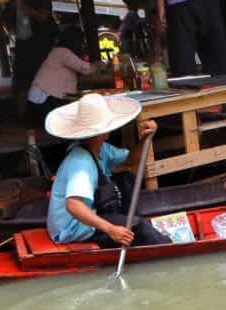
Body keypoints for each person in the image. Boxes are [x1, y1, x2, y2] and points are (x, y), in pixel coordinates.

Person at [45, 94, 171, 248]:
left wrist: (146, 138)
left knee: (126, 178)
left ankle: (132, 223)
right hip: (72, 228)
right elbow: (73, 205)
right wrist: (111, 230)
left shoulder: (100, 149)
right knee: (141, 228)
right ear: (104, 131)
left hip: (91, 214)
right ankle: (162, 242)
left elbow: (132, 160)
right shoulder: (81, 163)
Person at [5, 0, 56, 122]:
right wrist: (14, 4)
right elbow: (6, 22)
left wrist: (23, 6)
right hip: (23, 43)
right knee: (22, 81)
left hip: (41, 43)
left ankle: (47, 115)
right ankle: (24, 119)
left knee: (43, 79)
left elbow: (43, 17)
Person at [28, 28, 100, 120]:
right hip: (45, 98)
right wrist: (98, 64)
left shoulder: (58, 51)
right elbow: (87, 69)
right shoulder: (62, 52)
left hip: (43, 97)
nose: (83, 45)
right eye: (82, 42)